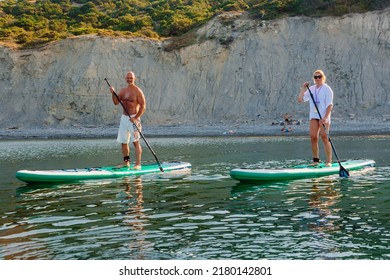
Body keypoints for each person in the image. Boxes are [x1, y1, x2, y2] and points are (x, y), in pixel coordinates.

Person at [109, 71, 146, 169]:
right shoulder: (123, 90)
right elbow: (116, 102)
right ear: (125, 78)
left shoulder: (138, 91)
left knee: (135, 142)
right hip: (124, 118)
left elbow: (143, 106)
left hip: (134, 118)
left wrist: (136, 117)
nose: (129, 79)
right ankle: (126, 162)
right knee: (124, 142)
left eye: (131, 78)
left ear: (134, 79)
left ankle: (138, 164)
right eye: (128, 78)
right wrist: (113, 93)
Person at [298, 70, 334, 166]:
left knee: (324, 137)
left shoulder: (327, 89)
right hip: (314, 116)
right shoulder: (312, 89)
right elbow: (300, 100)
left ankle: (329, 161)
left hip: (323, 117)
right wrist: (303, 89)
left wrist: (326, 117)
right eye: (315, 77)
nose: (318, 78)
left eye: (319, 76)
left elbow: (330, 105)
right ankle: (315, 161)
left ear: (323, 77)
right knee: (313, 137)